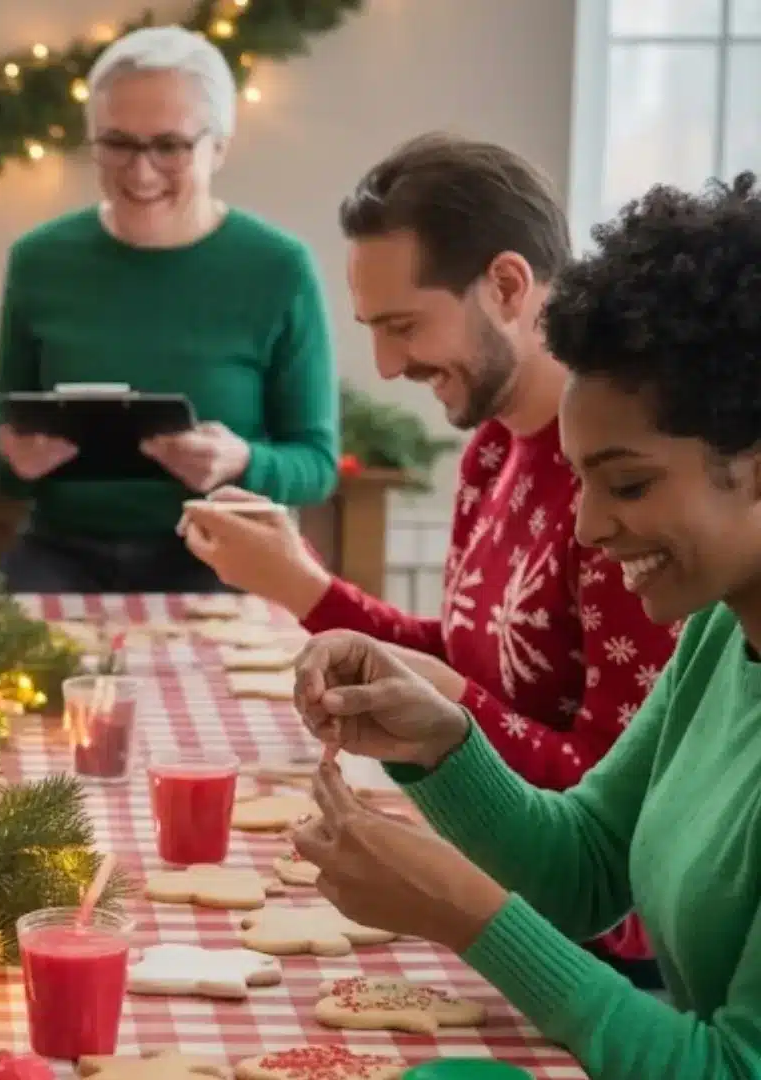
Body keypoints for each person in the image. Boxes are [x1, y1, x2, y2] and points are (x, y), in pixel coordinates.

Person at [288, 172, 761, 1078]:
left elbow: (723, 1070)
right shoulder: (716, 631)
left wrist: (466, 913)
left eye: (628, 484)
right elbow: (588, 862)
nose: (586, 527)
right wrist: (441, 745)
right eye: (581, 480)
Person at [180, 133, 670, 983]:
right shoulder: (493, 449)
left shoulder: (626, 502)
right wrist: (302, 585)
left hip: (580, 949)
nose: (387, 364)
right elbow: (468, 657)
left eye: (404, 326)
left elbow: (607, 814)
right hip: (491, 879)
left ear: (508, 286)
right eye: (374, 329)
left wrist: (442, 708)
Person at [0, 25, 338, 594]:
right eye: (117, 143)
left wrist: (241, 461)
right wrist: (15, 460)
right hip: (61, 553)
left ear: (217, 147)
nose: (140, 171)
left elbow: (316, 463)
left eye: (169, 146)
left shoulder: (278, 267)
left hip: (224, 554)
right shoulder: (39, 260)